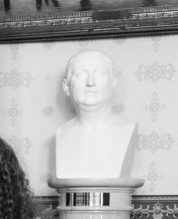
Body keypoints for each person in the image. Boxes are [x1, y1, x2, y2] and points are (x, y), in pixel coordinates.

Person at [54, 48, 138, 179]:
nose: (90, 82)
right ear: (66, 87)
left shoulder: (127, 129)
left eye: (100, 74)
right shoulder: (61, 133)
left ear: (113, 82)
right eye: (80, 75)